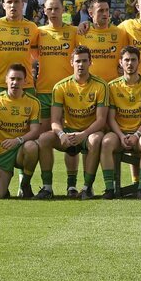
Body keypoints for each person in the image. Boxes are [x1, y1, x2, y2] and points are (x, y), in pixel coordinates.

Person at [41, 46, 110, 199]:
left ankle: (87, 187)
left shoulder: (101, 85)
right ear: (71, 62)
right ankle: (47, 188)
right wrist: (60, 134)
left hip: (89, 132)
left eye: (85, 61)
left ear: (91, 62)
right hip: (68, 133)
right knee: (44, 139)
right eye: (78, 61)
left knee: (96, 139)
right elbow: (55, 120)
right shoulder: (60, 86)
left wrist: (83, 134)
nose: (81, 64)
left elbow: (101, 120)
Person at [33, 0, 77, 196]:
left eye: (56, 8)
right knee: (44, 139)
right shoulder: (38, 32)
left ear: (63, 10)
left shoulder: (74, 32)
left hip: (69, 93)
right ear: (44, 10)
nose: (52, 12)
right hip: (43, 92)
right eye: (49, 8)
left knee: (72, 140)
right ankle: (47, 185)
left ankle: (72, 185)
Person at [0, 64, 42, 199]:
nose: (15, 82)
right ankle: (3, 187)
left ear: (25, 81)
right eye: (12, 78)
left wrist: (18, 140)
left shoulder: (33, 102)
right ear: (6, 80)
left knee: (32, 147)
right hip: (1, 154)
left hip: (21, 149)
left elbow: (35, 131)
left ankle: (25, 184)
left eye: (19, 79)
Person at [107, 46, 141, 198]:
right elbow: (110, 117)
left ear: (139, 62)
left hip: (140, 132)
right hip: (119, 133)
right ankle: (110, 189)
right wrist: (121, 135)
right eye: (126, 60)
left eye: (133, 60)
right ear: (120, 63)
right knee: (106, 142)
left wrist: (136, 134)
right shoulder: (111, 87)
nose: (130, 63)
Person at [0, 0, 39, 96]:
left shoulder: (32, 27)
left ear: (23, 4)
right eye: (9, 2)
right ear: (3, 5)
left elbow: (35, 56)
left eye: (16, 1)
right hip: (0, 84)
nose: (12, 5)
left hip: (26, 84)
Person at [77, 0, 130, 82]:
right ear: (90, 13)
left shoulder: (120, 33)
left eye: (107, 10)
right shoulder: (80, 33)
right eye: (100, 11)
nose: (105, 14)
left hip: (113, 85)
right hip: (88, 86)